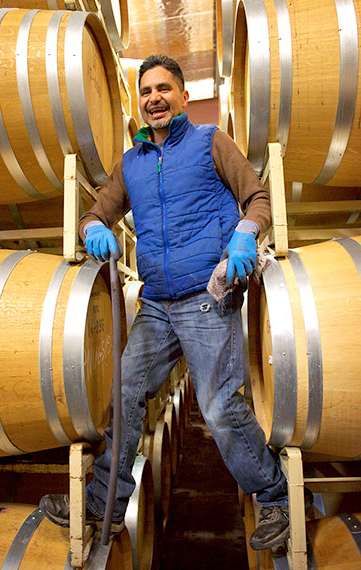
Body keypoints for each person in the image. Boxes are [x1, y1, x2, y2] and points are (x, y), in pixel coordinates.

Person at [40, 54, 292, 551]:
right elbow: (98, 209)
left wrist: (246, 233)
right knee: (124, 393)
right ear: (141, 102)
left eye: (164, 88)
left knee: (219, 407)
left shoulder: (209, 140)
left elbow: (257, 198)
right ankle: (104, 505)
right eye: (146, 91)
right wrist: (92, 227)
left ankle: (275, 499)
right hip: (156, 304)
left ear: (182, 96)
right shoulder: (131, 163)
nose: (154, 98)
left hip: (205, 298)